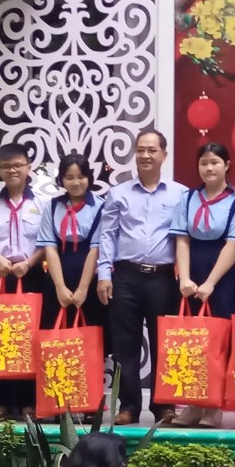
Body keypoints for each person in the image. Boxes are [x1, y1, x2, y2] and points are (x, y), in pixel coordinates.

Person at [97, 130, 186, 426]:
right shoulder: (118, 193)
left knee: (165, 344)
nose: (145, 155)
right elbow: (107, 235)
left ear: (164, 154)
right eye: (140, 150)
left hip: (163, 278)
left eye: (152, 150)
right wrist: (103, 274)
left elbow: (184, 238)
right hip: (125, 276)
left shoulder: (180, 194)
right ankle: (129, 406)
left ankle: (164, 406)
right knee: (125, 345)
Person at [170, 142, 235, 428]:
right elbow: (181, 239)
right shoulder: (187, 198)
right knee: (192, 340)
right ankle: (193, 403)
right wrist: (185, 278)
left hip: (223, 276)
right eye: (204, 163)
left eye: (215, 162)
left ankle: (214, 405)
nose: (209, 168)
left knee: (218, 342)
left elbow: (234, 245)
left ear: (227, 165)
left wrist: (210, 283)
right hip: (192, 272)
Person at [0, 143, 49, 419]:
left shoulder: (41, 203)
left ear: (28, 167)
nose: (12, 171)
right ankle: (4, 403)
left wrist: (28, 263)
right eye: (6, 166)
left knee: (30, 338)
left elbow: (47, 243)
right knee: (2, 339)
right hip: (1, 275)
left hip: (32, 275)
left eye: (18, 165)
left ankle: (29, 401)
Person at [37, 153, 107, 342]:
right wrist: (60, 287)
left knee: (91, 338)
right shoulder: (52, 206)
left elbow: (95, 250)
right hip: (57, 277)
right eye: (69, 177)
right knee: (56, 338)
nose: (76, 182)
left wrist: (83, 289)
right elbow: (50, 249)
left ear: (89, 178)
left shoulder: (101, 207)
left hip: (90, 279)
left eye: (81, 177)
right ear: (61, 179)